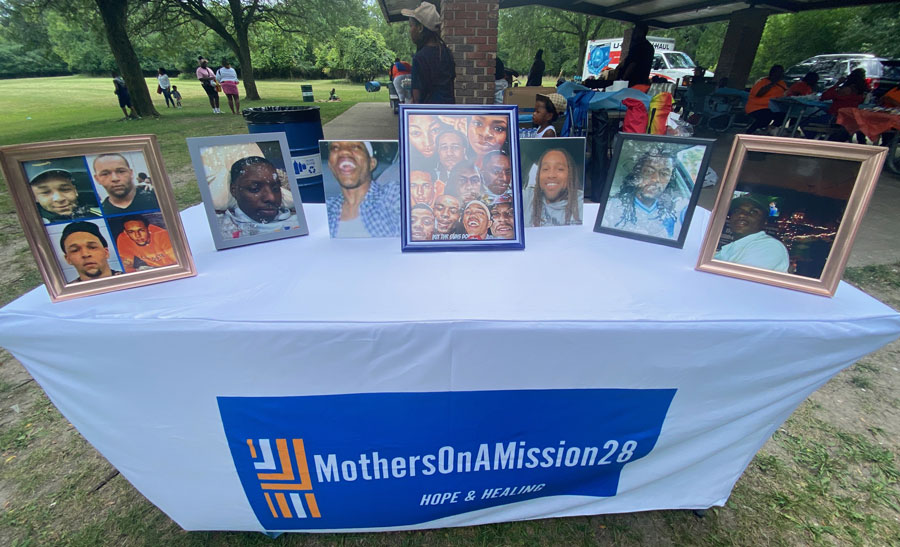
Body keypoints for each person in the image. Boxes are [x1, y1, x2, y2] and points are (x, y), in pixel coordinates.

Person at [601, 148, 688, 239]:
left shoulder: (674, 210)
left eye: (664, 174)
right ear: (638, 174)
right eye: (649, 172)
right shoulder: (614, 206)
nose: (655, 179)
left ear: (670, 179)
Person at [325, 141, 401, 238]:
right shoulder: (328, 208)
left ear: (372, 164)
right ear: (331, 166)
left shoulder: (392, 195)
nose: (344, 152)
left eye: (356, 147)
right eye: (335, 147)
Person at [219, 156, 298, 239]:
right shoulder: (223, 232)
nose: (271, 198)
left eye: (275, 188)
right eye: (255, 188)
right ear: (234, 190)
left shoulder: (299, 222)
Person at [715, 194, 789, 272]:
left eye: (753, 212)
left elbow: (733, 281)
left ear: (765, 222)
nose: (742, 214)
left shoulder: (769, 246)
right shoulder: (734, 247)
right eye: (737, 211)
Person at [403, 2, 455, 104]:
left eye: (411, 26)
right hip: (448, 113)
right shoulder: (447, 53)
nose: (410, 30)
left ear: (420, 28)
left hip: (428, 115)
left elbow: (417, 99)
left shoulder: (419, 58)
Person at [523, 148, 583, 227]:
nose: (551, 175)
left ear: (570, 174)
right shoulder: (527, 197)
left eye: (560, 169)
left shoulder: (581, 203)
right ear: (538, 175)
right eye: (545, 169)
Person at [92, 153, 159, 215]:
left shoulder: (157, 197)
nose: (115, 178)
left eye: (121, 171)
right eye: (105, 174)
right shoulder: (101, 212)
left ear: (131, 173)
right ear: (97, 179)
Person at [29, 169, 100, 224]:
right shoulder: (38, 224)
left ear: (75, 191)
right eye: (45, 192)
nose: (59, 198)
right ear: (35, 197)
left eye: (65, 189)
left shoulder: (97, 213)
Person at [745, 65, 788, 134]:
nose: (780, 74)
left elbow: (785, 93)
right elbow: (759, 94)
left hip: (774, 107)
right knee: (766, 117)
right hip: (757, 107)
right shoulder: (762, 82)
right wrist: (773, 83)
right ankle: (750, 132)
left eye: (782, 73)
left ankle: (770, 130)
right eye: (778, 73)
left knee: (783, 115)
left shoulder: (782, 83)